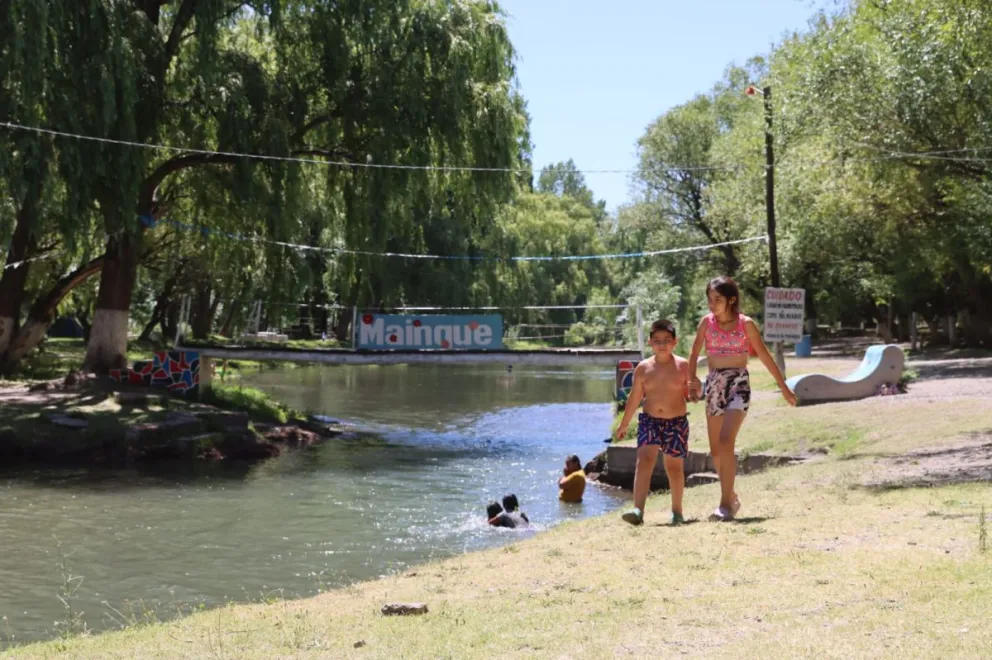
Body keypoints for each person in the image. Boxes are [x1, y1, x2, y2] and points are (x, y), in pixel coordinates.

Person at [687, 275, 797, 522]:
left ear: (731, 300)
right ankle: (731, 496)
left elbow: (766, 357)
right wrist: (691, 381)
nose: (712, 304)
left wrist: (784, 388)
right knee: (716, 450)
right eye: (710, 299)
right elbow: (693, 353)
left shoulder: (745, 324)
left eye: (717, 299)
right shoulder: (706, 323)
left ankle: (725, 505)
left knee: (726, 441)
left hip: (739, 384)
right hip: (714, 384)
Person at [614, 319, 690, 526]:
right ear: (650, 342)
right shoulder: (643, 368)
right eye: (657, 340)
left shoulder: (683, 366)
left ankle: (677, 511)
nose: (662, 344)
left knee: (674, 467)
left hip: (676, 422)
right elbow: (635, 398)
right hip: (650, 420)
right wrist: (624, 423)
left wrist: (696, 389)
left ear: (675, 341)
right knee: (644, 460)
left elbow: (691, 392)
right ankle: (638, 509)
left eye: (666, 340)